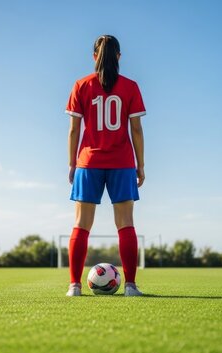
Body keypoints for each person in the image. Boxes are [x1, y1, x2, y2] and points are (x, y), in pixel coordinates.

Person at [65, 35, 146, 297]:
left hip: (88, 163)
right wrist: (140, 165)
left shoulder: (81, 85)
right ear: (119, 57)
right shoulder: (131, 87)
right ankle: (131, 286)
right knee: (125, 224)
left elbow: (74, 130)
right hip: (122, 162)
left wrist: (71, 164)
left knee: (81, 225)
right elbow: (136, 129)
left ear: (94, 56)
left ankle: (74, 287)